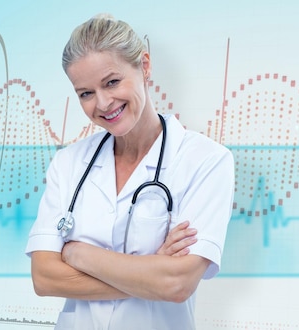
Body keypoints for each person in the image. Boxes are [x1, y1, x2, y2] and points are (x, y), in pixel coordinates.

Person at [24, 13, 235, 329]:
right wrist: (149, 273)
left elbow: (176, 284)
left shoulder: (206, 161)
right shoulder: (68, 163)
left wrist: (79, 255)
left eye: (112, 82)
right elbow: (44, 278)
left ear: (145, 67)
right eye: (86, 93)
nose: (104, 103)